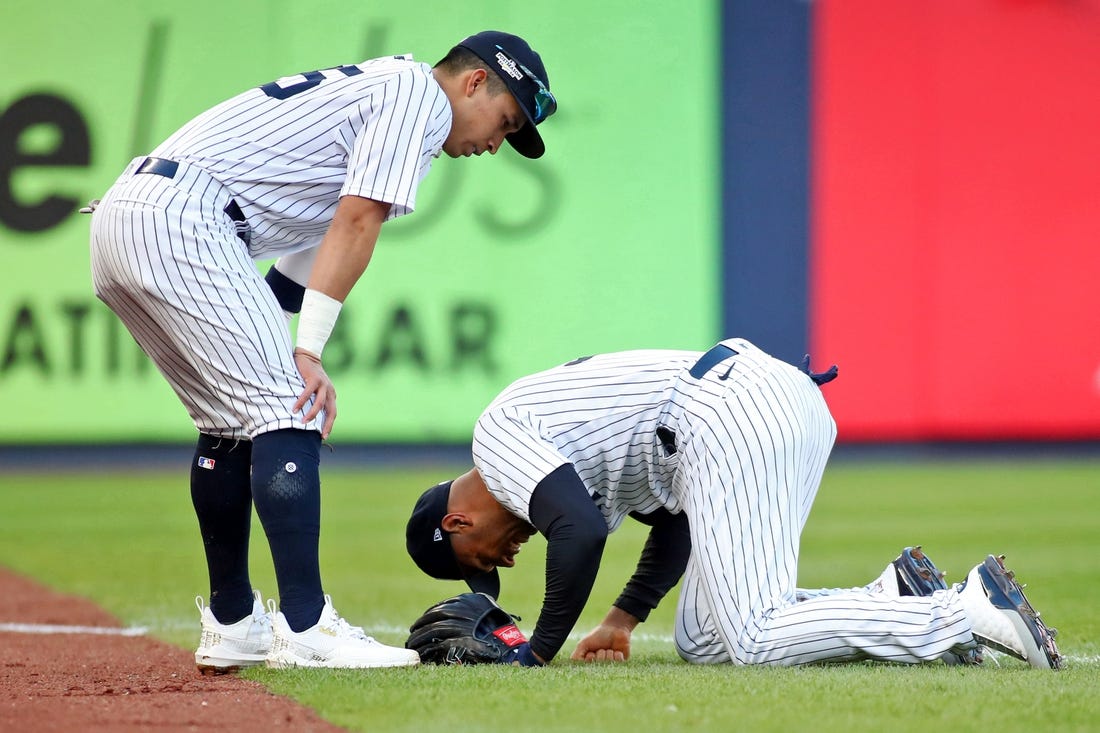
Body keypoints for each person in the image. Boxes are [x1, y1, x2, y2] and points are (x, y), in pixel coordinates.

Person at [86, 30, 557, 672]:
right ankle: (307, 626)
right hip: (182, 219)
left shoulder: (388, 96)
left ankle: (233, 623)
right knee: (291, 407)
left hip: (133, 217)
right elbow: (357, 221)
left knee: (232, 424)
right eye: (506, 121)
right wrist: (305, 355)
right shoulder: (419, 99)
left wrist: (280, 347)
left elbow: (304, 261)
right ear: (474, 82)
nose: (496, 143)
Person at [406, 338, 1062, 669]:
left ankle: (964, 612)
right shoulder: (551, 463)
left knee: (750, 634)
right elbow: (673, 519)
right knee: (704, 638)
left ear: (456, 521)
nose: (503, 562)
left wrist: (537, 650)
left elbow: (577, 532)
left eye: (482, 558)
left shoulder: (498, 438)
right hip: (750, 409)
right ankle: (896, 596)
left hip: (731, 412)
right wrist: (624, 617)